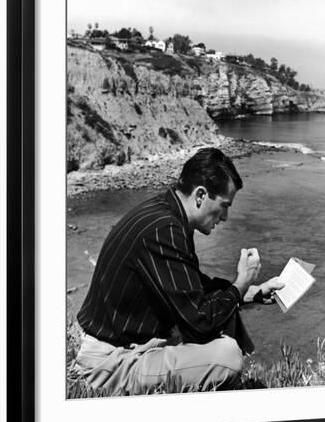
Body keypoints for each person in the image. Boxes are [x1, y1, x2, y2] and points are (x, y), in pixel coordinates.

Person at [75, 147, 284, 395]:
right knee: (227, 356)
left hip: (123, 347)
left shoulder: (166, 214)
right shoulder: (165, 229)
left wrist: (250, 292)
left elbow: (191, 286)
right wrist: (239, 285)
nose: (226, 217)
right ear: (200, 195)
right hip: (109, 364)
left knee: (225, 310)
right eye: (224, 206)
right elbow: (200, 322)